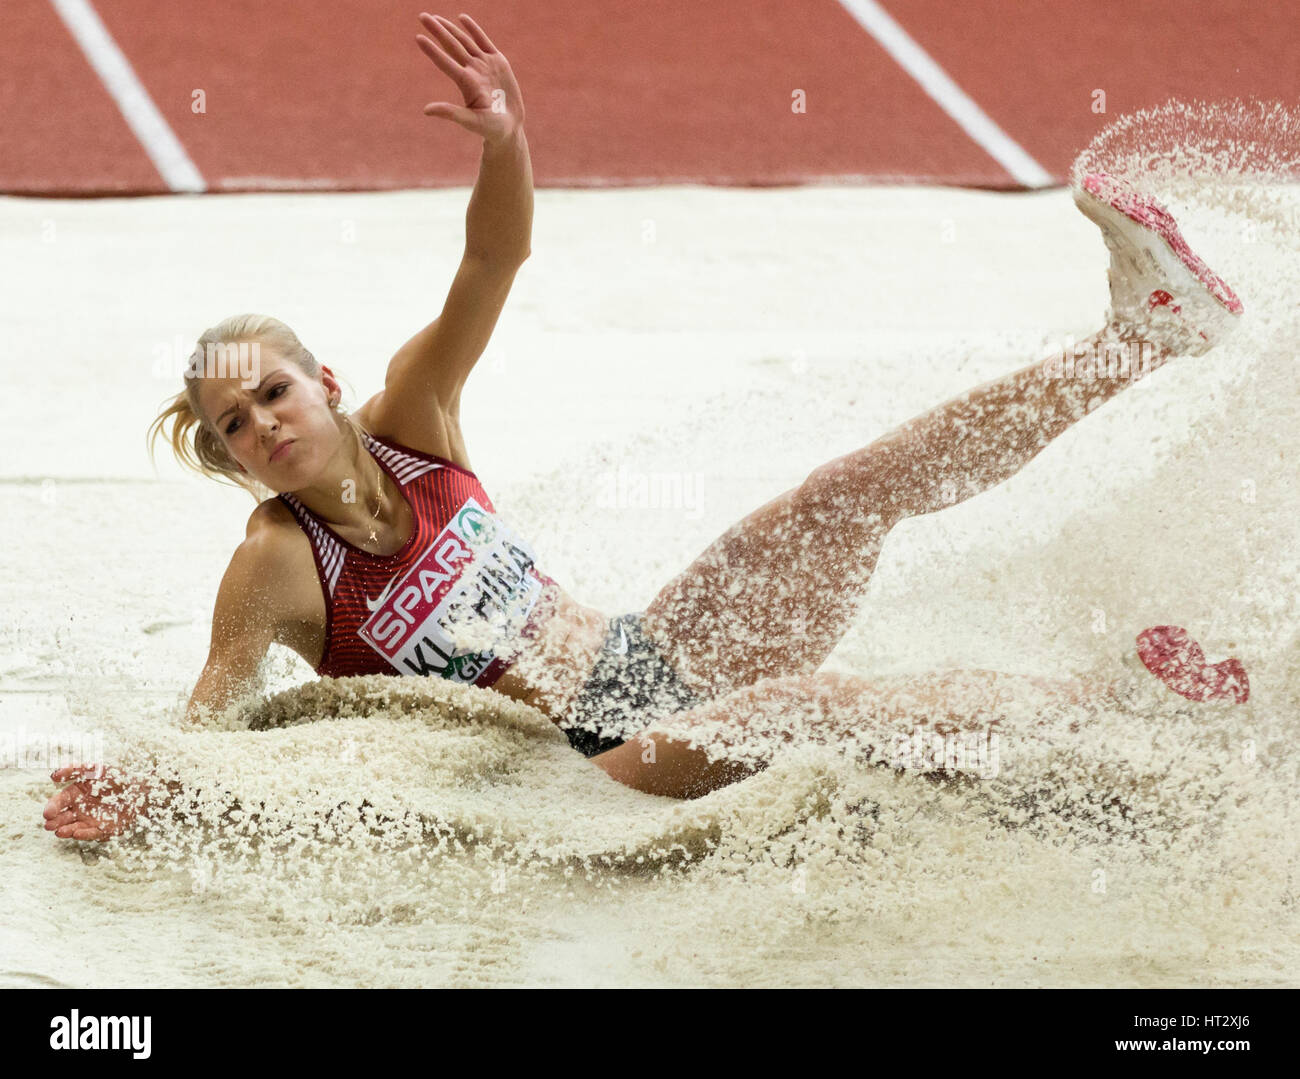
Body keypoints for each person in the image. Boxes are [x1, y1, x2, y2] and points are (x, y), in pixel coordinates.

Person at [42, 13, 1243, 841]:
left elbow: (493, 257)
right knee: (822, 709)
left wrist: (507, 144)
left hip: (645, 655)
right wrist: (133, 792)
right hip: (596, 758)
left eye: (272, 393)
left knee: (839, 491)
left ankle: (1143, 336)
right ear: (232, 456)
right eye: (234, 424)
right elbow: (218, 706)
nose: (261, 423)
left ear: (325, 383)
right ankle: (1124, 715)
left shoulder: (412, 418)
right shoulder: (273, 561)